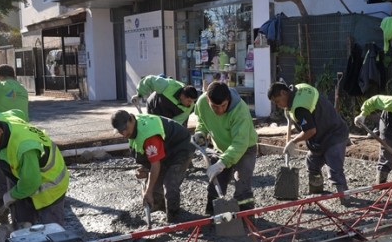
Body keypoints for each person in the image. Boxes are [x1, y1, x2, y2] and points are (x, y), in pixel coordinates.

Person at [267, 82, 351, 204]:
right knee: (312, 162)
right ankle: (317, 191)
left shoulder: (299, 107)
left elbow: (310, 130)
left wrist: (293, 141)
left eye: (277, 101)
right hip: (322, 135)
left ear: (283, 93)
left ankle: (345, 198)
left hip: (334, 134)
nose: (278, 105)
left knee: (334, 168)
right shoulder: (299, 89)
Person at [111, 110, 195, 221]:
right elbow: (149, 159)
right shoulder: (134, 129)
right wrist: (145, 169)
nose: (125, 134)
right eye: (121, 131)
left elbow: (155, 165)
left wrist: (148, 191)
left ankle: (174, 218)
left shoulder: (148, 135)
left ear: (131, 119)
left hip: (181, 148)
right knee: (153, 188)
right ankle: (162, 207)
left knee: (170, 184)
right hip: (166, 150)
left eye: (125, 129)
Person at [0, 109, 70, 227]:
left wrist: (11, 195)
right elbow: (18, 112)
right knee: (24, 228)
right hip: (26, 176)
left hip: (51, 186)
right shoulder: (1, 118)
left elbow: (31, 183)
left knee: (52, 232)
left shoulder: (24, 148)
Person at [192, 81, 258, 214]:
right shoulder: (201, 103)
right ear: (207, 99)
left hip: (245, 149)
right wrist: (201, 132)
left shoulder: (239, 110)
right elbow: (202, 120)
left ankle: (245, 217)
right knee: (216, 183)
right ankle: (213, 215)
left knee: (242, 185)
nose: (220, 110)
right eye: (215, 106)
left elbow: (240, 143)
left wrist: (222, 163)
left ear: (228, 99)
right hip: (221, 148)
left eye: (223, 105)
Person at [0, 64, 30, 223]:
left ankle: (4, 221)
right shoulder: (23, 90)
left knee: (1, 183)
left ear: (0, 76)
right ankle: (23, 221)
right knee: (20, 181)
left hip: (0, 140)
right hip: (22, 140)